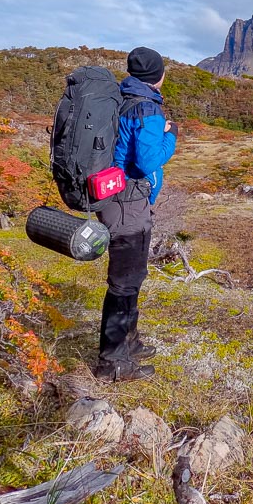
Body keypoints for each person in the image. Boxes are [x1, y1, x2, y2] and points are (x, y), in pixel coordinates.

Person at [94, 46, 178, 381]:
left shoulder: (120, 98)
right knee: (125, 281)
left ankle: (129, 341)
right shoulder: (147, 108)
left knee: (131, 276)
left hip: (113, 195)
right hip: (128, 201)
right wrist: (171, 138)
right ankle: (113, 362)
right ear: (158, 75)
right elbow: (147, 161)